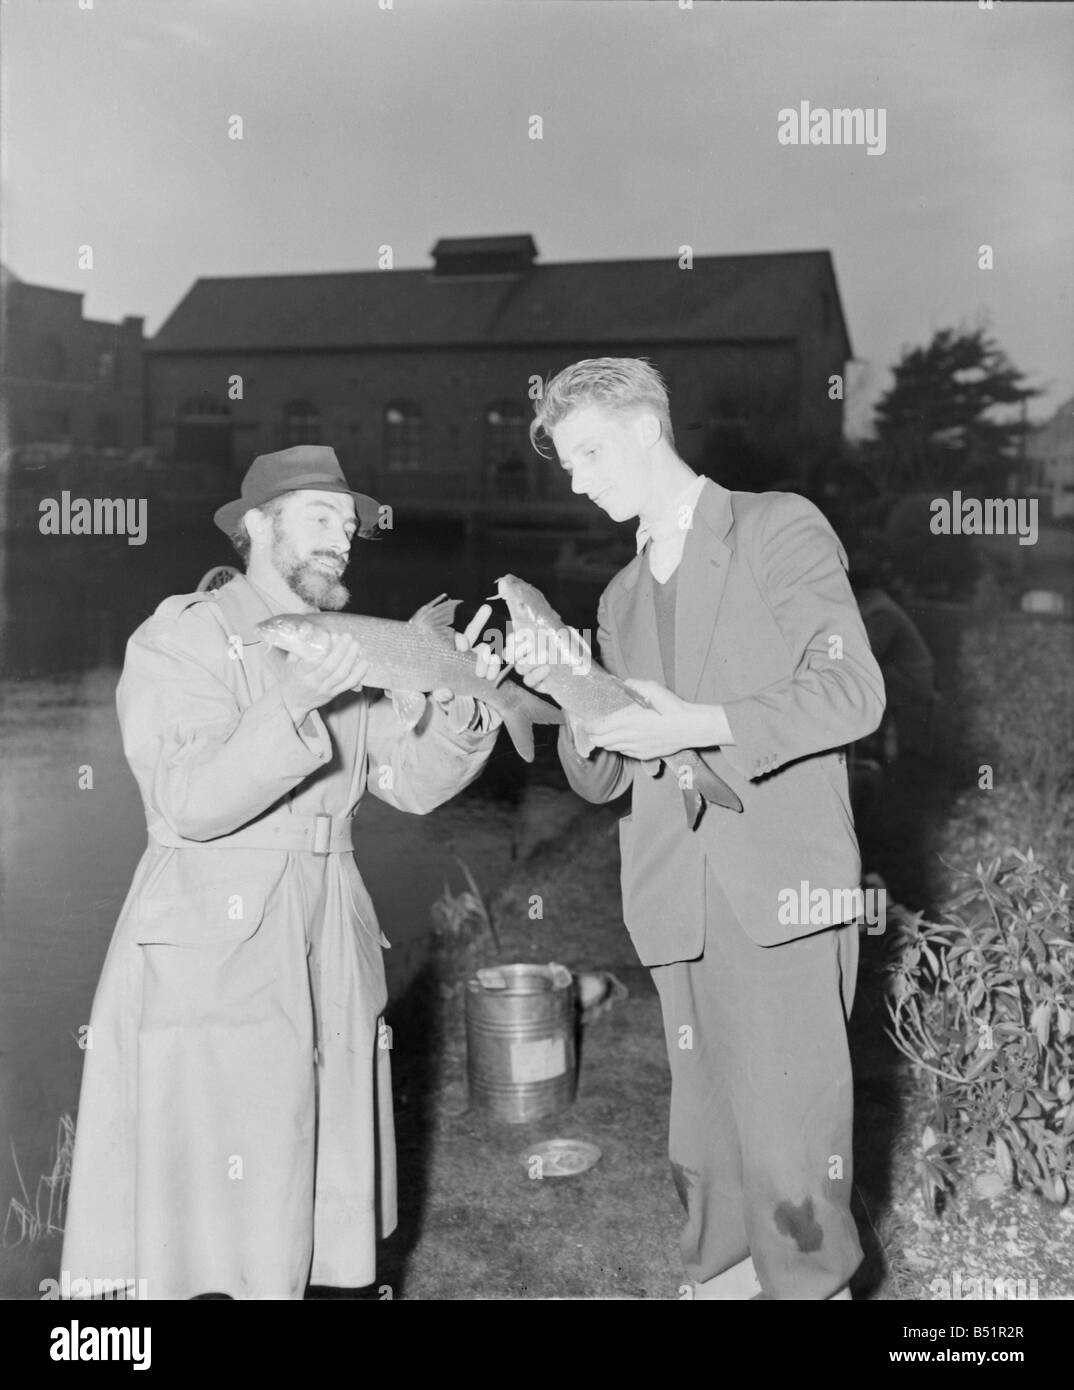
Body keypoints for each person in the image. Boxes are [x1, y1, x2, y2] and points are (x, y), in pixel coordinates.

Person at [61, 445, 504, 1300]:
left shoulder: (347, 643)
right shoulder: (181, 635)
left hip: (327, 930)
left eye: (350, 524)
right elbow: (188, 801)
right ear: (256, 526)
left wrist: (458, 708)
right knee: (213, 1217)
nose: (345, 538)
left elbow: (407, 782)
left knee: (312, 1195)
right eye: (321, 519)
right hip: (213, 946)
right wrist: (293, 700)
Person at [513, 359, 886, 1300]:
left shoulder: (776, 527)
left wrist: (698, 722)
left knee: (791, 1143)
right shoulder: (620, 597)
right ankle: (719, 1280)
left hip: (781, 894)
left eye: (590, 452)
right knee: (706, 1142)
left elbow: (853, 692)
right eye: (565, 463)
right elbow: (600, 775)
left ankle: (810, 1287)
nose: (578, 478)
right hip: (677, 904)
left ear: (647, 430)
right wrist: (565, 684)